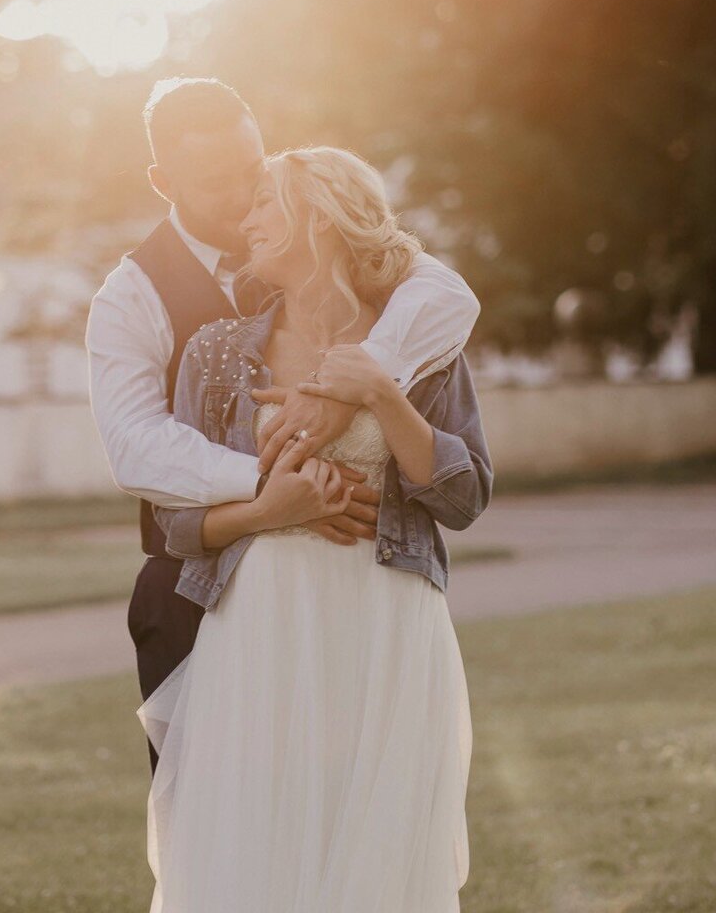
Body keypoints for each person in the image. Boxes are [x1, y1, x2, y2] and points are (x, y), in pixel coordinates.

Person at [85, 78, 482, 773]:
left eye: (254, 171)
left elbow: (448, 294)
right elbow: (136, 450)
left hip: (368, 606)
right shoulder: (130, 296)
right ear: (163, 181)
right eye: (217, 183)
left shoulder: (344, 268)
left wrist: (349, 385)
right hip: (198, 594)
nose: (245, 200)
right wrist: (276, 487)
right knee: (214, 839)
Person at [138, 146, 493, 913]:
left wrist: (382, 394)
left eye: (267, 201)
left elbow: (464, 499)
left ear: (320, 216)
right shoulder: (217, 353)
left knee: (377, 841)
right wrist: (271, 511)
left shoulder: (421, 348)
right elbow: (177, 524)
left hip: (387, 621)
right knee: (257, 843)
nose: (248, 218)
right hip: (263, 625)